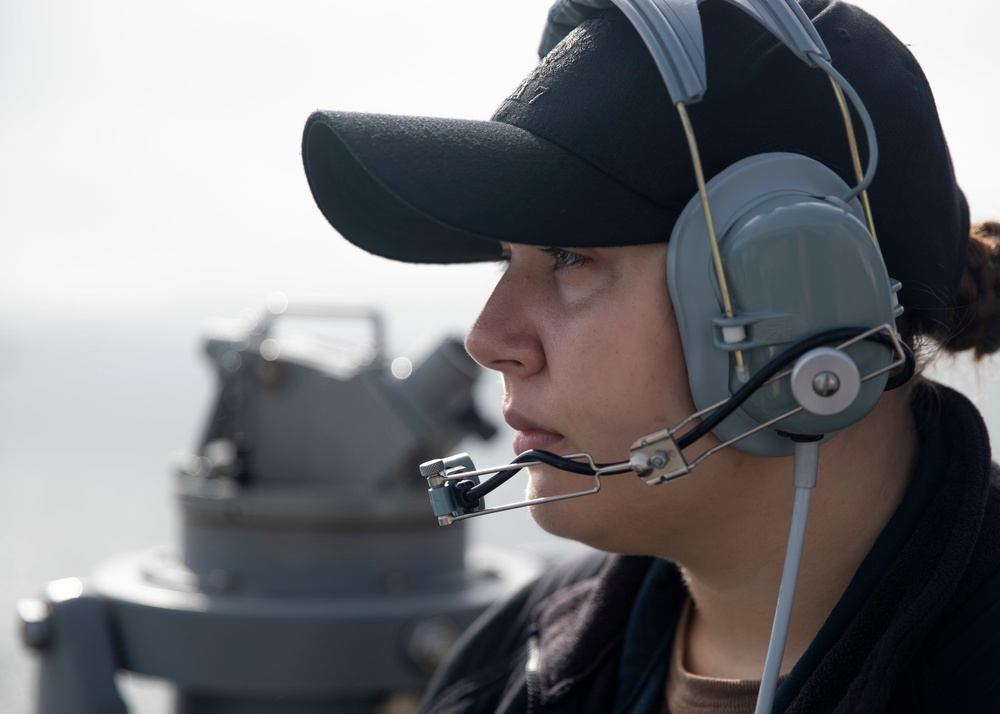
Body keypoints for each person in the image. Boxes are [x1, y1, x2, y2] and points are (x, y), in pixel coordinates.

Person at [301, 0, 1000, 711]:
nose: (488, 341)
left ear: (797, 301)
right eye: (505, 259)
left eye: (569, 257)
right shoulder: (507, 665)